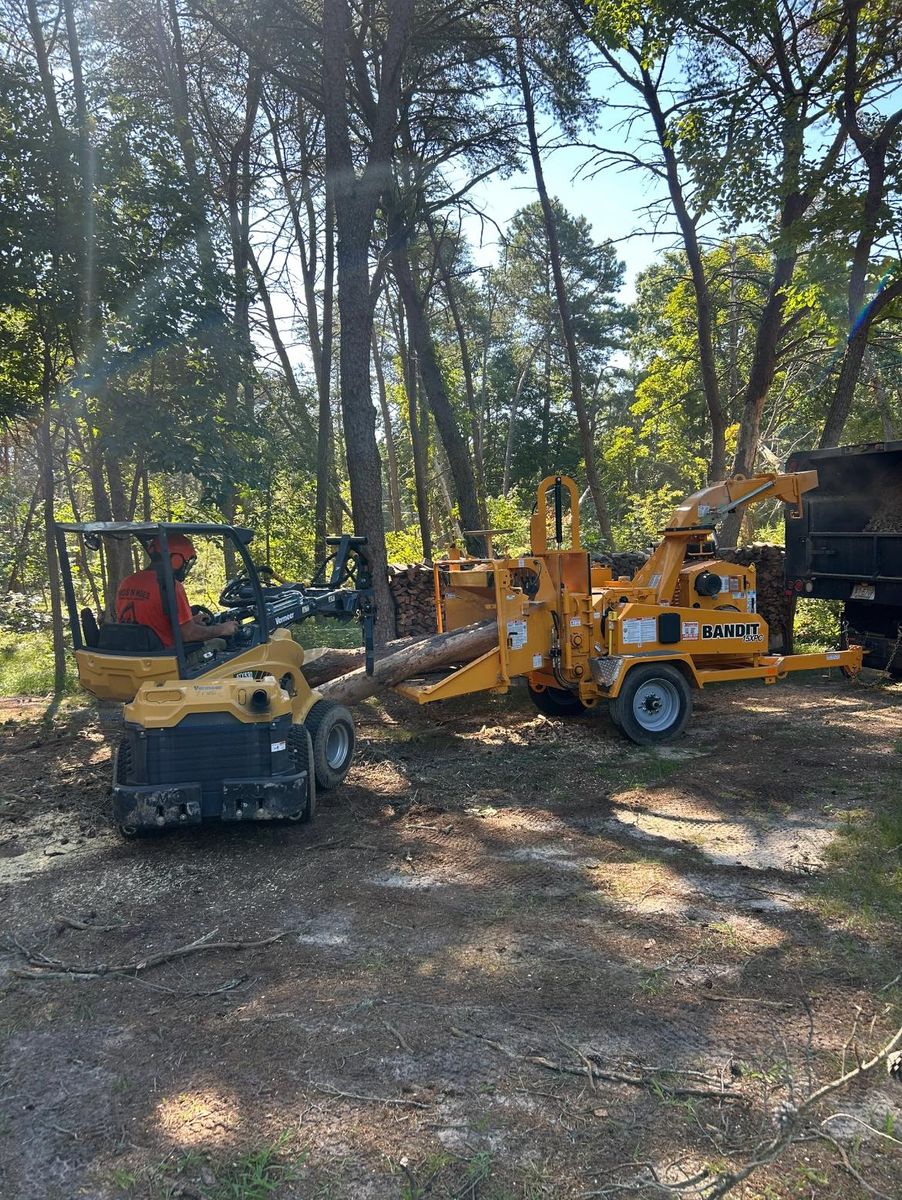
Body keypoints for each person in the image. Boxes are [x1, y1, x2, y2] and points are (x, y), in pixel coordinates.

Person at [115, 534, 239, 649]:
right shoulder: (170, 586)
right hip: (166, 657)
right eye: (186, 561)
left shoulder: (127, 582)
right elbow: (188, 634)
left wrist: (191, 621)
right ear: (176, 559)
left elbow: (150, 621)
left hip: (137, 650)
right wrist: (223, 629)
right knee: (222, 643)